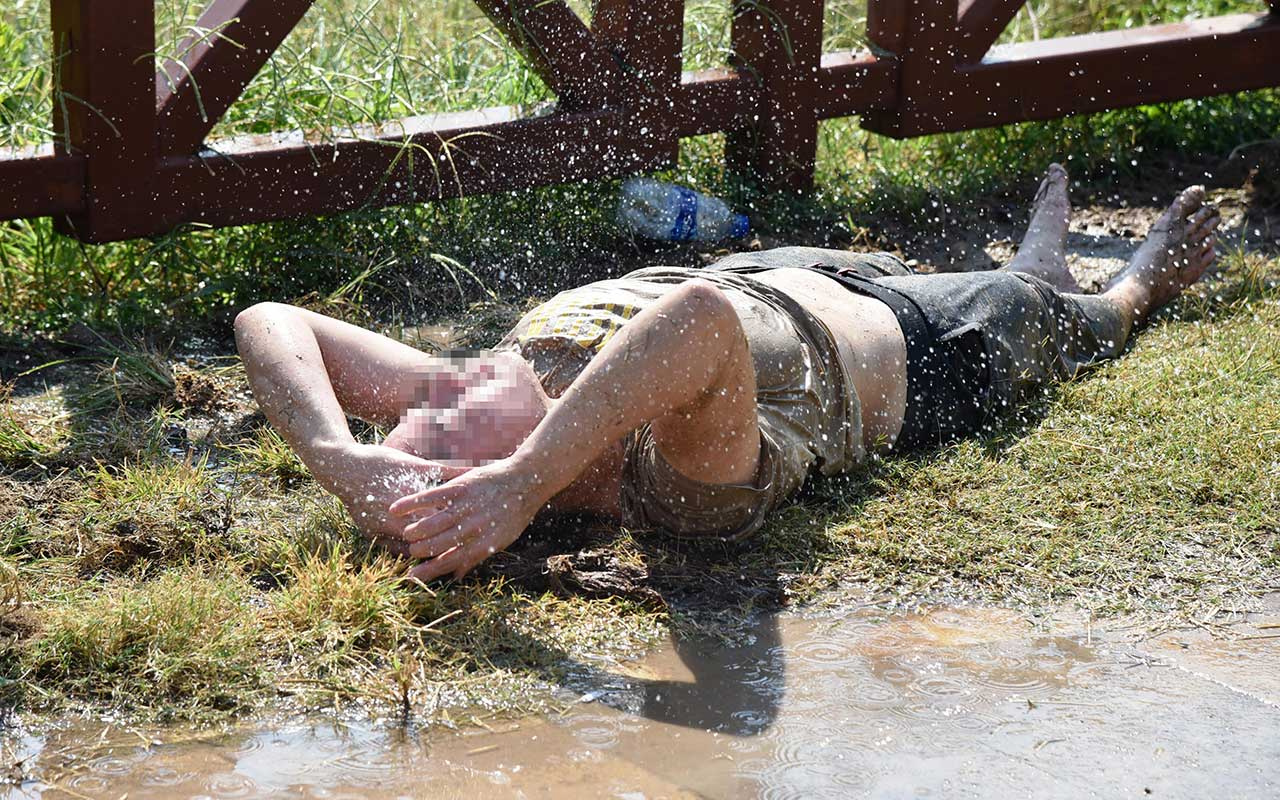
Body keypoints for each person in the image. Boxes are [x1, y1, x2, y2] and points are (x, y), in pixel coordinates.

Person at [234, 165, 1221, 582]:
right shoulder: (670, 486)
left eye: (426, 429)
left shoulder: (481, 404)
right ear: (518, 498)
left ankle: (1030, 263)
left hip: (766, 273)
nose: (440, 406)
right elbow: (698, 327)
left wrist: (336, 455)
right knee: (1071, 315)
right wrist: (522, 477)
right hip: (931, 343)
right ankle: (1135, 275)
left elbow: (268, 319)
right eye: (443, 447)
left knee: (959, 270)